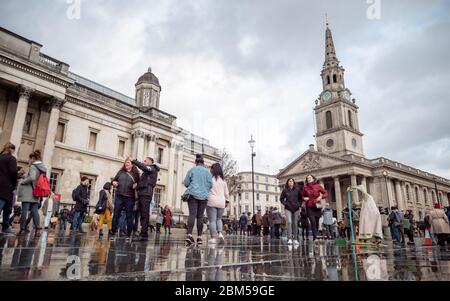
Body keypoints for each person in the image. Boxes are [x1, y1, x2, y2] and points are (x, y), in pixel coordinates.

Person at [183, 154, 212, 245]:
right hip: (204, 196)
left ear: (196, 162)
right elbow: (210, 185)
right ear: (203, 163)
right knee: (200, 216)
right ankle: (199, 237)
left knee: (192, 215)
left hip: (192, 194)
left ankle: (189, 235)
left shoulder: (192, 170)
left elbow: (186, 183)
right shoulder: (208, 173)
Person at [17, 150, 46, 237]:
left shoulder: (33, 166)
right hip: (36, 192)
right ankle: (37, 230)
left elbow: (32, 177)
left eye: (29, 159)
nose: (28, 160)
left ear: (32, 158)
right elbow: (35, 178)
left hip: (28, 192)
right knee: (34, 211)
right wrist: (25, 175)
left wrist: (23, 182)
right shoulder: (41, 167)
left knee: (24, 211)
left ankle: (22, 229)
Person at [132, 157, 160, 241]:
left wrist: (134, 161)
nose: (144, 162)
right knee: (143, 213)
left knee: (145, 214)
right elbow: (144, 182)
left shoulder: (152, 168)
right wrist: (136, 186)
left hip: (146, 193)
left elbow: (144, 167)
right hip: (143, 193)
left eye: (145, 161)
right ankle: (143, 233)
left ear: (150, 162)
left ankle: (143, 234)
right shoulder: (147, 172)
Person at [111, 158, 140, 238]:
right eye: (125, 162)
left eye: (128, 162)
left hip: (130, 197)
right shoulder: (120, 172)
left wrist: (137, 185)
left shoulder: (135, 174)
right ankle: (113, 231)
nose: (126, 164)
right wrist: (113, 182)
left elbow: (140, 183)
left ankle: (129, 232)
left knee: (129, 216)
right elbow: (113, 180)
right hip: (119, 196)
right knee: (116, 214)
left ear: (132, 164)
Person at [206, 163, 229, 244]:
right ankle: (220, 233)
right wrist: (227, 201)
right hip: (221, 202)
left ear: (213, 170)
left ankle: (213, 238)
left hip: (211, 201)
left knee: (212, 220)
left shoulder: (210, 179)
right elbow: (226, 193)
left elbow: (206, 190)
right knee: (219, 219)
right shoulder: (223, 181)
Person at [302, 174, 328, 242]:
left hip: (317, 206)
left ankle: (315, 235)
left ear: (313, 178)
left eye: (310, 177)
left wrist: (321, 197)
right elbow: (301, 196)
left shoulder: (318, 186)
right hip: (309, 206)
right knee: (312, 222)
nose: (309, 179)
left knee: (316, 222)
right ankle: (315, 237)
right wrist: (304, 198)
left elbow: (325, 193)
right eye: (307, 178)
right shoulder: (305, 187)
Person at [0, 143, 18, 235]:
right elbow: (14, 172)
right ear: (11, 149)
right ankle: (5, 227)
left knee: (7, 207)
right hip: (6, 186)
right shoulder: (11, 158)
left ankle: (6, 226)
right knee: (5, 207)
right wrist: (15, 183)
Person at [279, 178, 302, 245]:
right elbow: (281, 199)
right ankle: (289, 238)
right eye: (289, 181)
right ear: (288, 182)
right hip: (288, 208)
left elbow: (300, 199)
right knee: (289, 222)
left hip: (296, 208)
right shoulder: (285, 190)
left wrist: (299, 205)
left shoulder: (297, 189)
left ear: (293, 182)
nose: (291, 182)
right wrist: (285, 203)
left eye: (292, 181)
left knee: (295, 223)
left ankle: (295, 239)